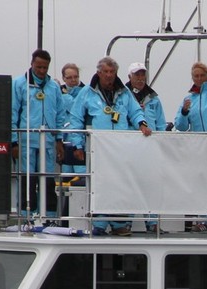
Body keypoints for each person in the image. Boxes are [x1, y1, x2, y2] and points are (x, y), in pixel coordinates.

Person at [67, 56, 152, 236]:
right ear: (98, 73)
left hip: (120, 148)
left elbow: (135, 111)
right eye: (105, 72)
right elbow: (76, 119)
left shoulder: (124, 93)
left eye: (112, 72)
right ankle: (99, 223)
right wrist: (77, 146)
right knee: (100, 184)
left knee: (121, 185)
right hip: (97, 148)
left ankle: (118, 224)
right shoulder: (87, 92)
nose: (108, 75)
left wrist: (142, 123)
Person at [11, 49, 66, 218]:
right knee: (27, 180)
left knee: (48, 181)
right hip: (26, 141)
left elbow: (60, 114)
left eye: (45, 67)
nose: (42, 71)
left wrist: (59, 139)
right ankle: (25, 216)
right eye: (39, 67)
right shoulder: (19, 84)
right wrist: (14, 141)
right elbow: (13, 113)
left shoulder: (53, 87)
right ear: (32, 64)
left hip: (48, 141)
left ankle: (49, 216)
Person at [127, 62, 167, 232]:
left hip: (150, 149)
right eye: (137, 75)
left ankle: (152, 222)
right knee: (130, 185)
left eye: (143, 75)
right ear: (130, 77)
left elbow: (161, 124)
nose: (140, 78)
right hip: (130, 148)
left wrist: (161, 144)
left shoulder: (154, 98)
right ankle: (125, 222)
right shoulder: (122, 96)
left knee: (150, 185)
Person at [59, 63, 87, 181]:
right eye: (69, 78)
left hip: (80, 141)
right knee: (66, 177)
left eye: (75, 77)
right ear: (64, 78)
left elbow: (78, 111)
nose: (73, 80)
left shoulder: (86, 93)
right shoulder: (58, 93)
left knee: (81, 177)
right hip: (64, 141)